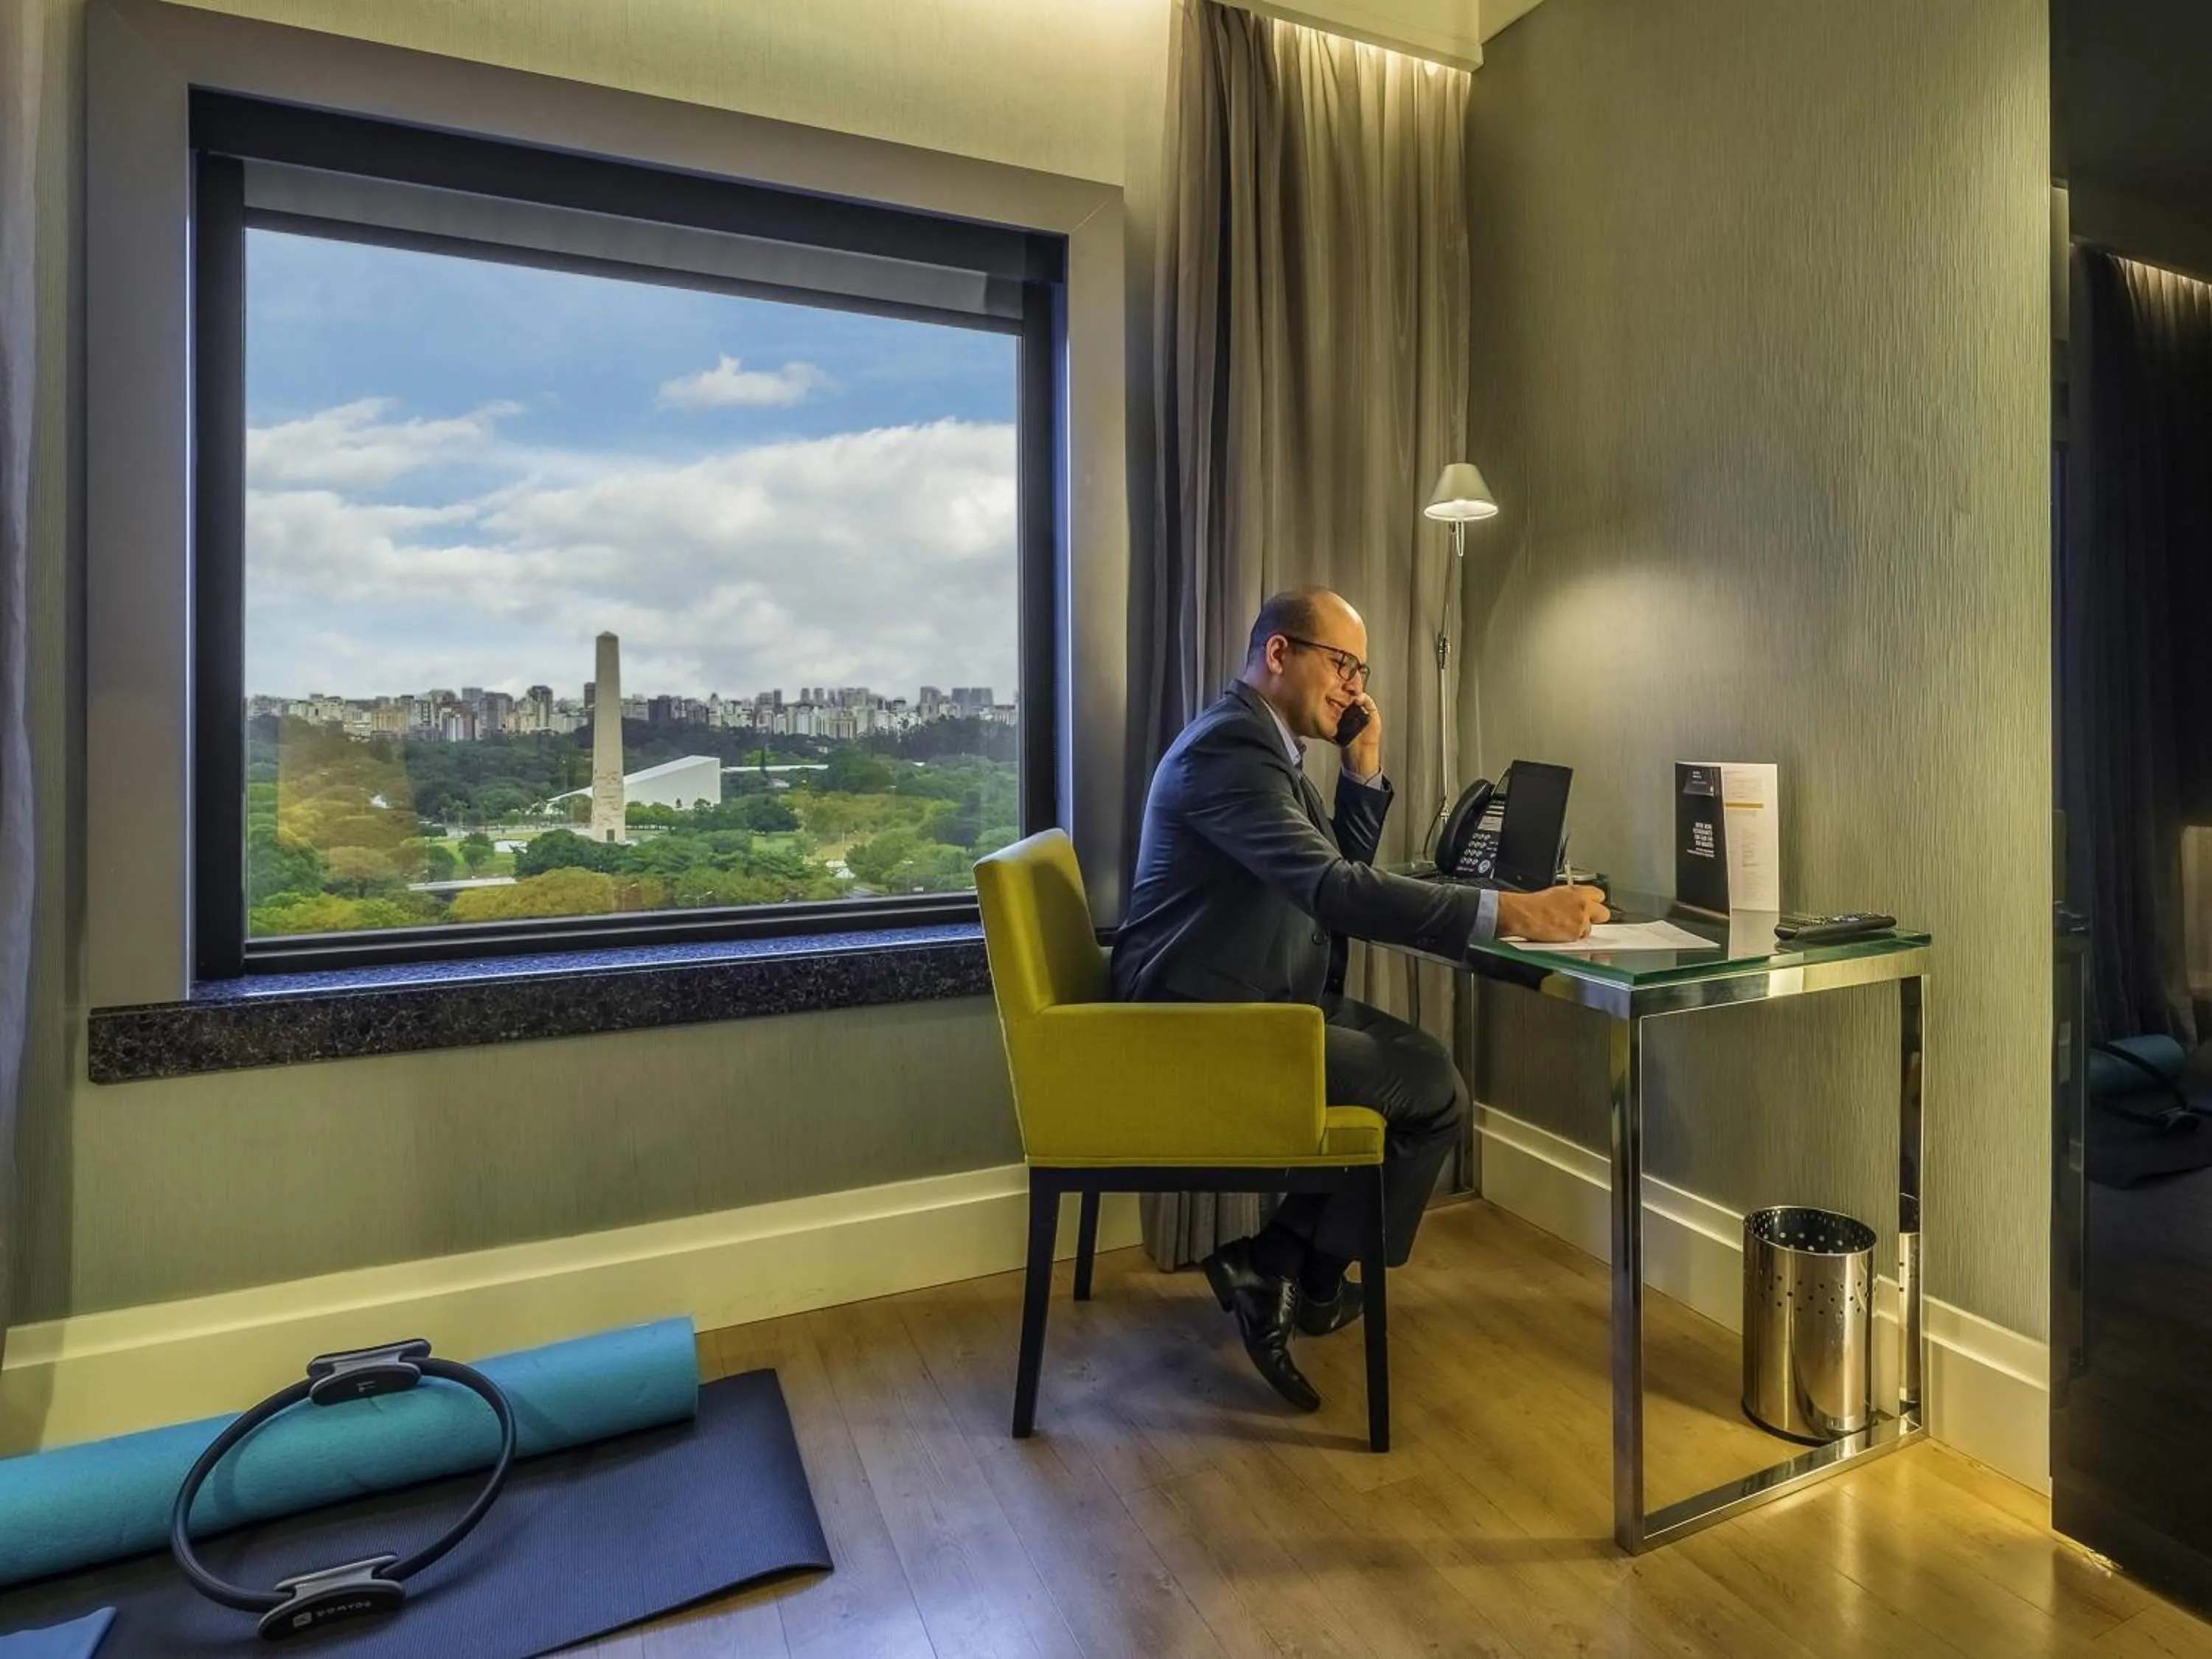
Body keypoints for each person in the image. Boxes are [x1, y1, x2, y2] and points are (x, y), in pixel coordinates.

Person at [1112, 587, 1605, 1410]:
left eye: (1360, 670)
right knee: (1431, 1091)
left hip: (1253, 998)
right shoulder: (1229, 753)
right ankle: (1288, 1269)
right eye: (1342, 665)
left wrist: (1363, 766)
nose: (1354, 687)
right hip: (1197, 1022)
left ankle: (1280, 1269)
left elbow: (1330, 867)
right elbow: (1336, 890)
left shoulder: (1263, 747)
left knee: (1426, 1078)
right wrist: (1512, 910)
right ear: (1279, 654)